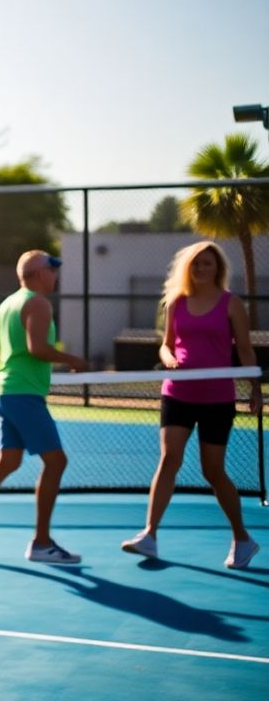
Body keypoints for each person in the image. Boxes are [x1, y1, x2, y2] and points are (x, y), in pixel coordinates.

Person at [122, 241, 261, 569]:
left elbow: (244, 349)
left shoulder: (231, 304)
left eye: (207, 264)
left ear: (218, 269)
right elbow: (166, 346)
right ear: (189, 268)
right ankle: (149, 535)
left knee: (213, 471)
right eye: (196, 264)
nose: (201, 269)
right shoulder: (176, 303)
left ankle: (242, 539)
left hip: (217, 398)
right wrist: (168, 358)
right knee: (169, 458)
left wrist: (255, 389)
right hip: (177, 393)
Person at [0, 251, 88, 565]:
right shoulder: (38, 303)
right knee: (56, 462)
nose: (56, 274)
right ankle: (42, 542)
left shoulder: (9, 303)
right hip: (22, 393)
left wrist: (8, 371)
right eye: (53, 268)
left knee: (8, 461)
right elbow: (37, 348)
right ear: (38, 273)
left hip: (6, 390)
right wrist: (73, 360)